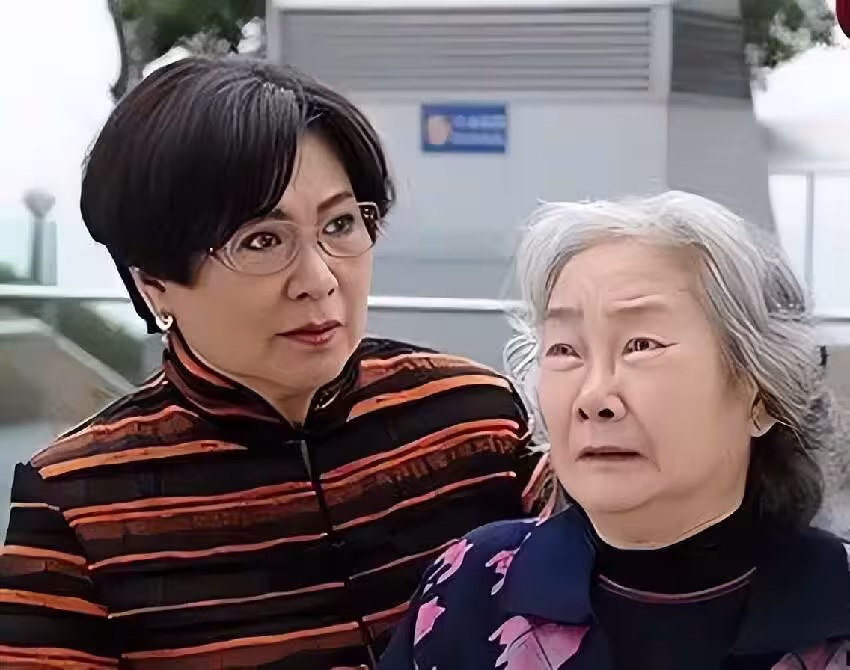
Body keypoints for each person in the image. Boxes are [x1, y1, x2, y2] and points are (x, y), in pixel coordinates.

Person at [0, 57, 546, 669]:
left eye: (340, 224)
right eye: (262, 240)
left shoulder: (475, 418)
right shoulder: (77, 501)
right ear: (154, 283)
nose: (319, 279)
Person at [380, 191, 850, 670]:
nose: (593, 398)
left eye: (641, 345)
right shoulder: (471, 586)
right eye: (565, 350)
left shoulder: (834, 613)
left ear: (761, 393)